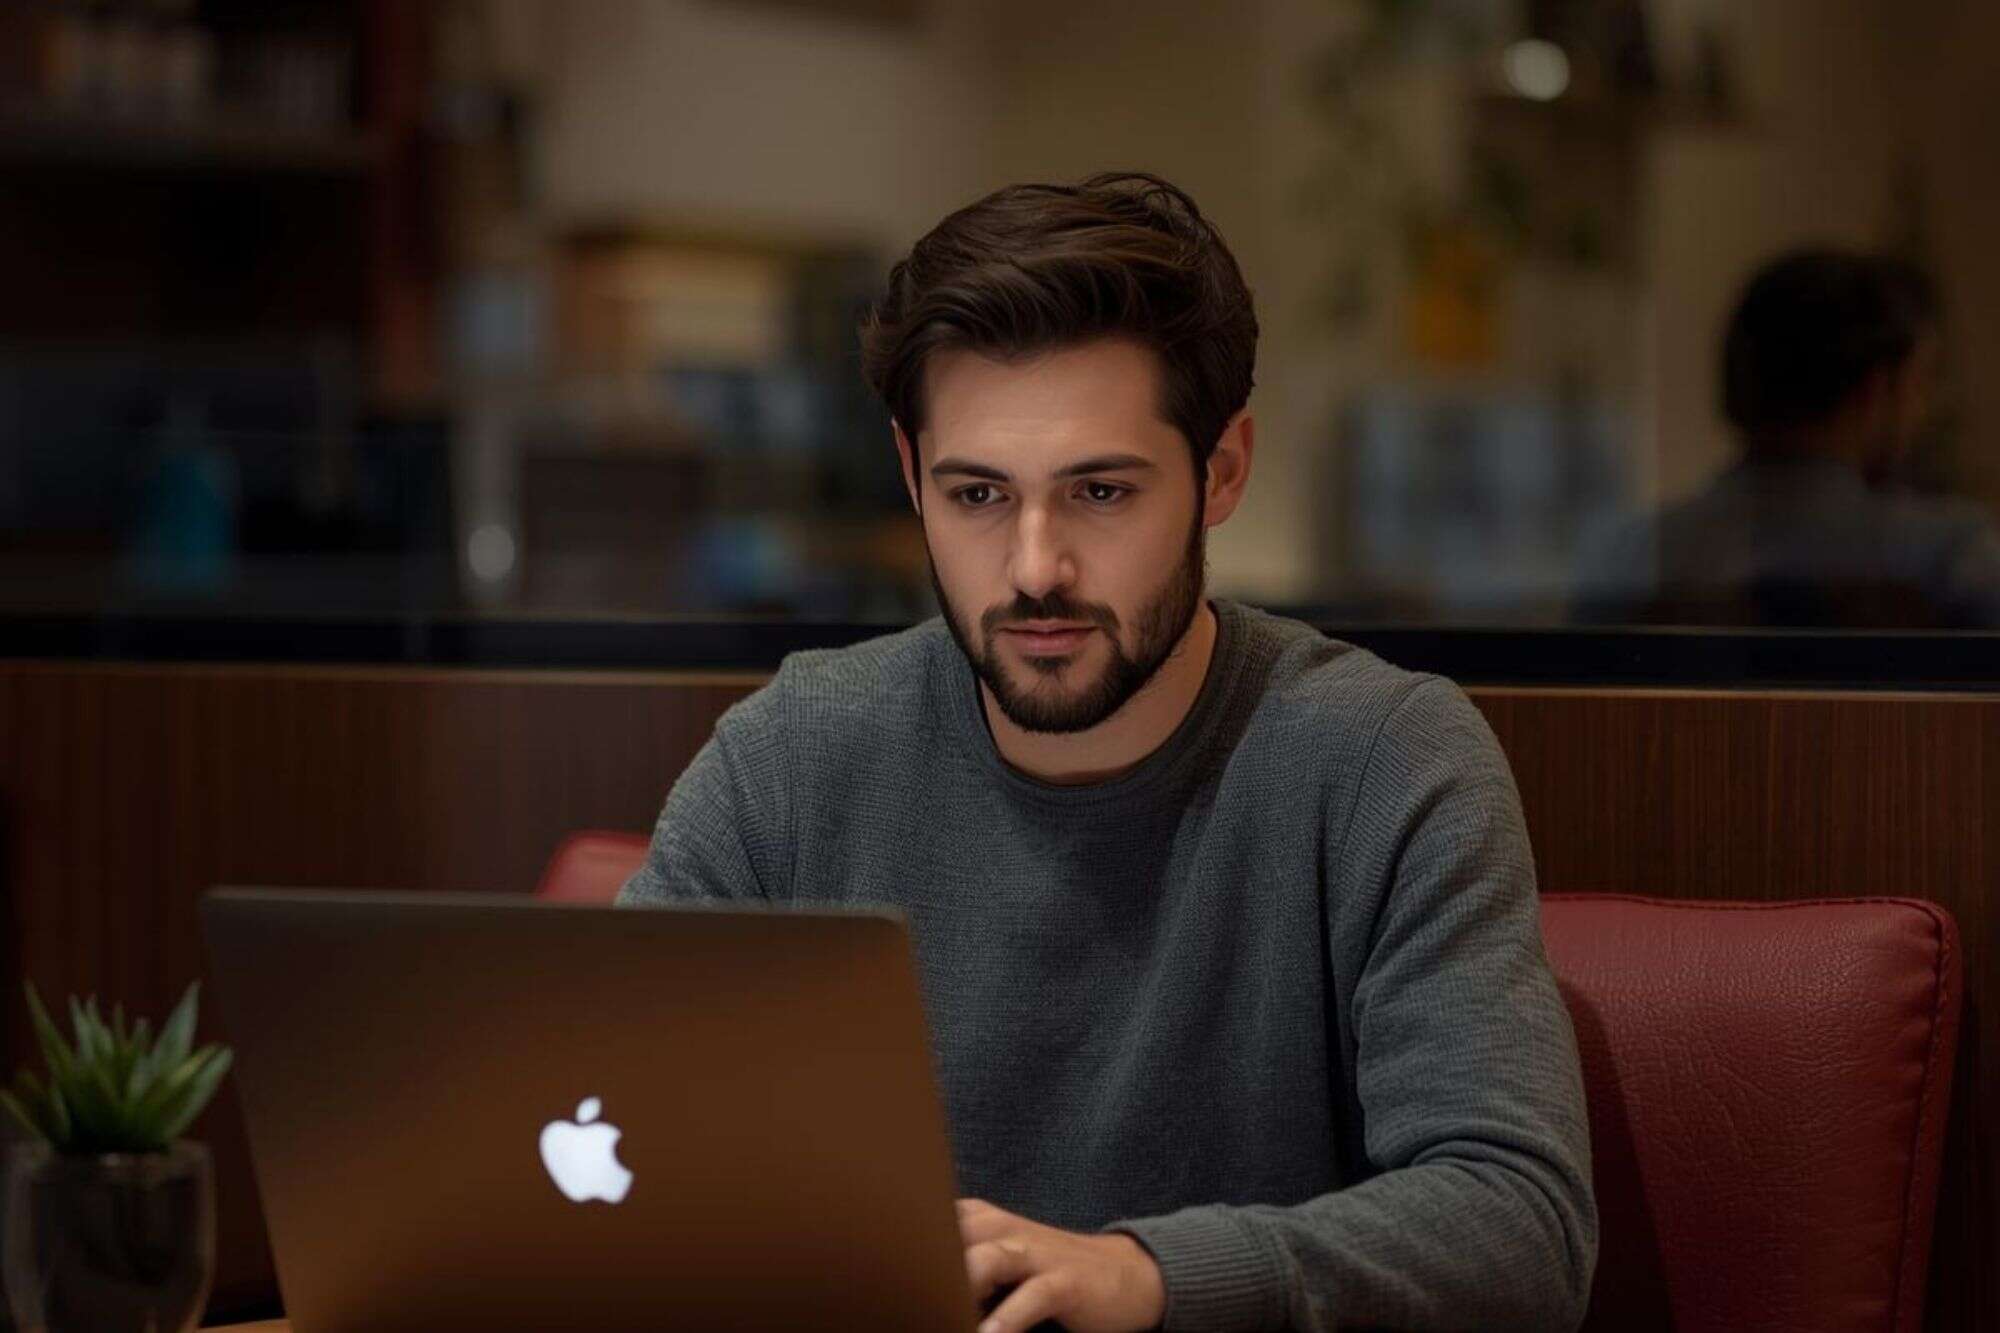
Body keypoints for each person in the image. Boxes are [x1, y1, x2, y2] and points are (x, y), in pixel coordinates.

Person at [620, 172, 1596, 1332]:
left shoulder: (1381, 759)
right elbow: (594, 1107)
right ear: (907, 476)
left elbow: (1517, 1224)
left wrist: (1146, 1276)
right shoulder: (793, 755)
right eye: (976, 493)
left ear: (1220, 471)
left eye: (1097, 491)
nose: (1035, 566)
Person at [1572, 249, 2000, 627]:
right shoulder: (1952, 559)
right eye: (1920, 384)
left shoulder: (1630, 556)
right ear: (1875, 391)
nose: (1923, 411)